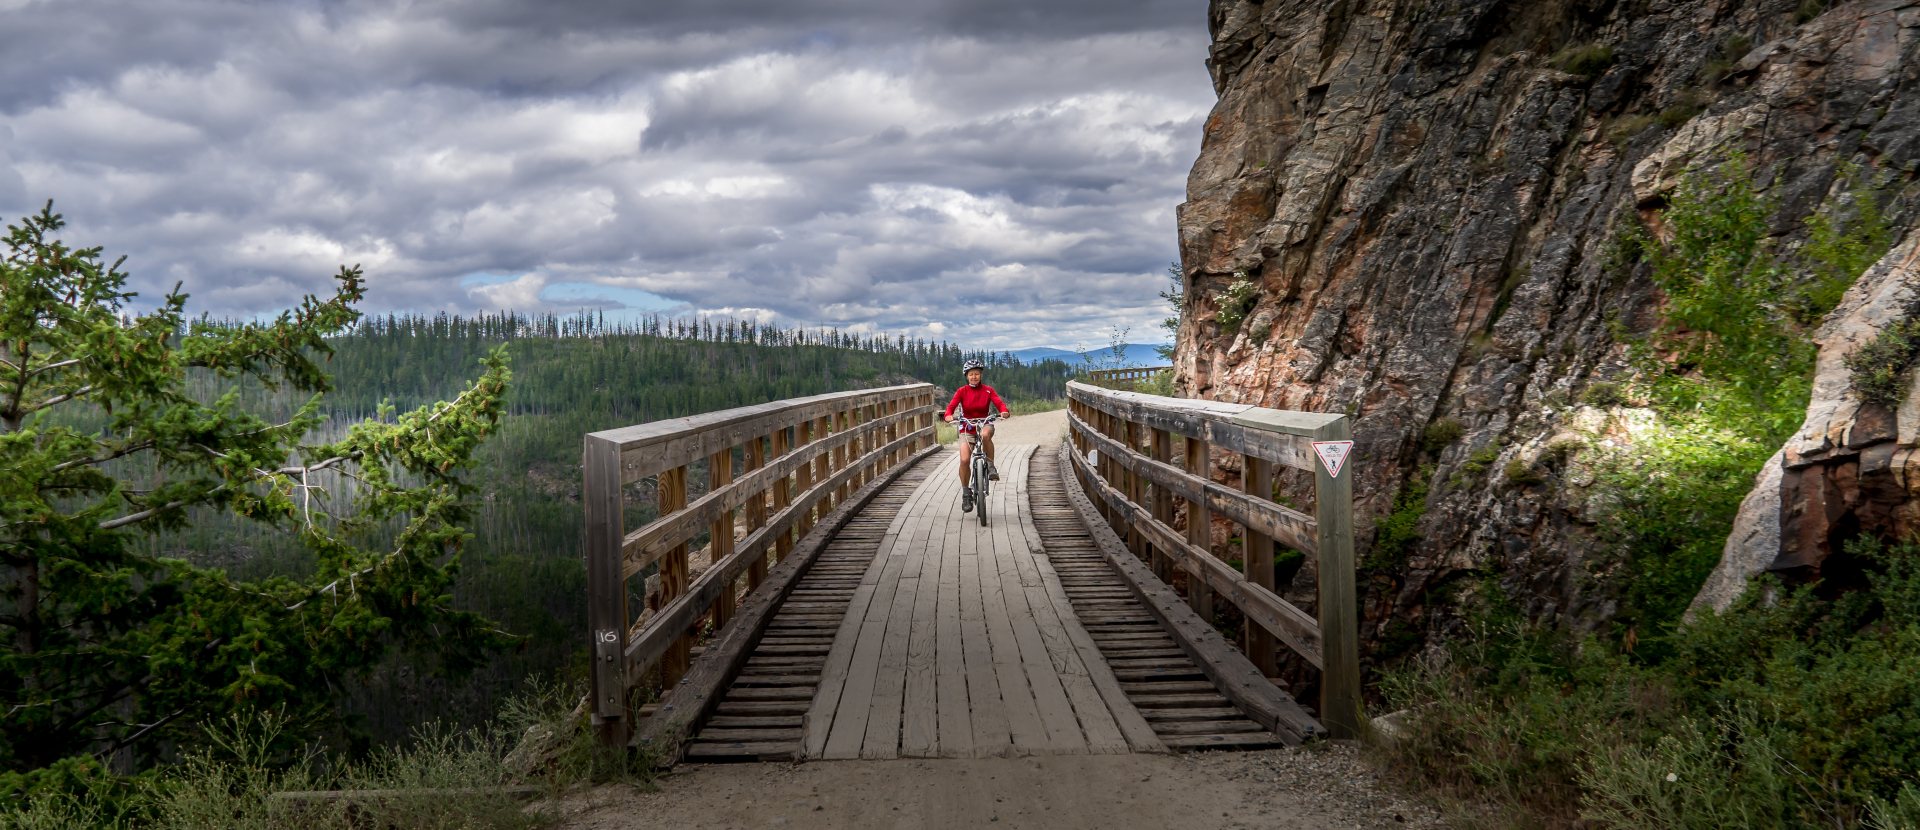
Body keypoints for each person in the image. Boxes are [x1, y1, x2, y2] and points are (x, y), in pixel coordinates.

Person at [942, 358, 1011, 513]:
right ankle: (966, 493)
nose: (974, 377)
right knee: (965, 459)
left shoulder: (988, 390)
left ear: (981, 375)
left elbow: (999, 403)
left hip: (984, 423)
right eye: (971, 374)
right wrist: (948, 415)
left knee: (986, 435)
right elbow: (951, 406)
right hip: (967, 428)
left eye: (977, 374)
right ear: (967, 376)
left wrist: (1004, 411)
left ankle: (991, 466)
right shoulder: (962, 391)